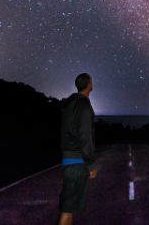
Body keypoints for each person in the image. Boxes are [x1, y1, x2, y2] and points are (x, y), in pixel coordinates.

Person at [56, 73, 97, 225]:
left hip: (68, 159)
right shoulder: (83, 105)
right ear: (89, 84)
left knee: (66, 204)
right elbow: (85, 136)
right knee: (69, 208)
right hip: (78, 162)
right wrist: (90, 165)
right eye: (91, 81)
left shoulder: (69, 104)